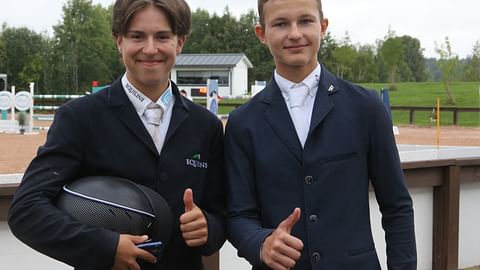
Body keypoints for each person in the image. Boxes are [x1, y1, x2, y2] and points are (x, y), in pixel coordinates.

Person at [8, 0, 226, 269]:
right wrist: (105, 247)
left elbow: (221, 214)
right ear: (118, 40)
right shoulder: (80, 118)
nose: (150, 48)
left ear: (179, 42)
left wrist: (208, 228)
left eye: (162, 36)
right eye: (137, 36)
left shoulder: (206, 126)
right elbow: (26, 210)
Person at [224, 0, 417, 269]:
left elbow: (397, 206)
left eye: (305, 21)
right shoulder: (242, 122)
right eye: (280, 24)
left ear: (323, 26)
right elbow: (238, 215)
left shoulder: (366, 108)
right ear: (262, 33)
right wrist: (261, 242)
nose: (294, 33)